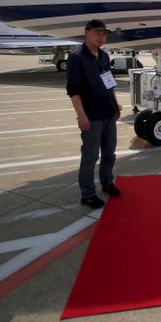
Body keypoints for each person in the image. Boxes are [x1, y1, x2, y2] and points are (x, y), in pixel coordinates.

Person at [66, 19, 122, 208]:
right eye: (98, 32)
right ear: (86, 32)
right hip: (91, 116)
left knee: (110, 152)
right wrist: (81, 115)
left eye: (104, 33)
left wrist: (115, 105)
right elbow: (74, 90)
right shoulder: (76, 58)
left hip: (108, 113)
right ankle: (88, 193)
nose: (102, 36)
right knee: (90, 156)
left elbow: (109, 82)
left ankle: (107, 181)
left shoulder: (104, 56)